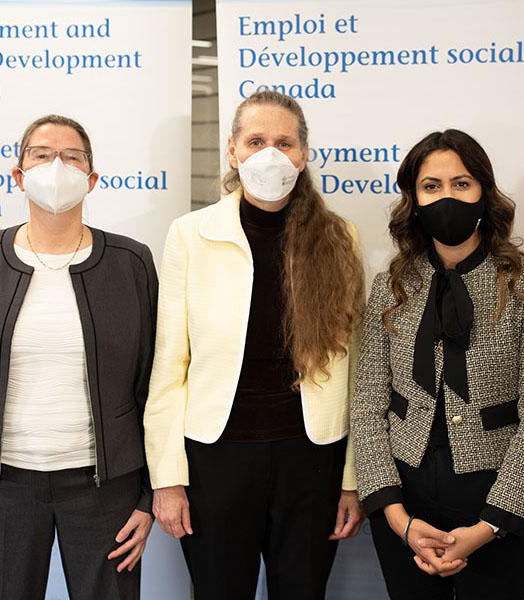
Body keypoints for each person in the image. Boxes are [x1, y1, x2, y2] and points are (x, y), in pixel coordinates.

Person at [144, 90, 365, 600]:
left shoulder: (339, 237)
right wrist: (168, 478)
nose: (270, 154)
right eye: (256, 140)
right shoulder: (190, 235)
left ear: (304, 154)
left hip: (312, 459)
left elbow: (357, 371)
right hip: (216, 460)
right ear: (233, 150)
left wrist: (351, 478)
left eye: (284, 142)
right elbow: (169, 366)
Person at [0, 115, 156, 600]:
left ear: (92, 179)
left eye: (72, 157)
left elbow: (152, 388)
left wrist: (148, 497)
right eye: (42, 154)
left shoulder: (130, 263)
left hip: (106, 489)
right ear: (19, 174)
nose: (57, 166)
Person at [351, 129, 524, 599]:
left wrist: (488, 526)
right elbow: (368, 405)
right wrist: (397, 518)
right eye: (432, 186)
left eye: (461, 183)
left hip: (498, 500)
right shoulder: (391, 285)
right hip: (407, 501)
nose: (447, 196)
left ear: (484, 192)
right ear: (414, 199)